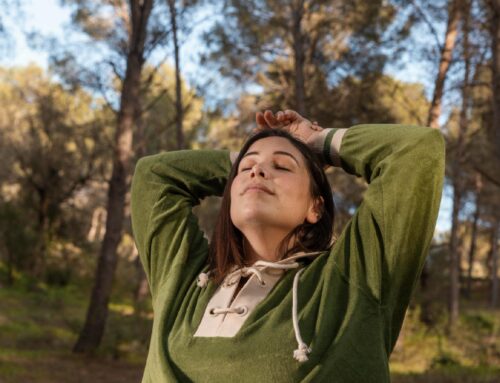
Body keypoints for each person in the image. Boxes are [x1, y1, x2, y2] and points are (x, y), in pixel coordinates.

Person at [130, 110, 445, 382]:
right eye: (245, 169)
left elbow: (416, 150)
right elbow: (154, 176)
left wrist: (317, 142)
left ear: (315, 207)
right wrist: (250, 157)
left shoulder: (350, 280)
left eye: (281, 167)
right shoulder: (185, 278)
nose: (257, 170)